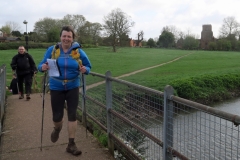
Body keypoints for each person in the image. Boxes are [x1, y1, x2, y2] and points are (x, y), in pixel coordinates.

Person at [38, 25, 91, 156]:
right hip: (56, 87)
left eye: (69, 36)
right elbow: (40, 65)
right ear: (60, 37)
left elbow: (88, 66)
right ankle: (57, 129)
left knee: (72, 115)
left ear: (72, 38)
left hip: (73, 86)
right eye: (64, 36)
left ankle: (71, 144)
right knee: (57, 117)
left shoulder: (78, 52)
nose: (66, 38)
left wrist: (86, 70)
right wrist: (42, 67)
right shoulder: (52, 50)